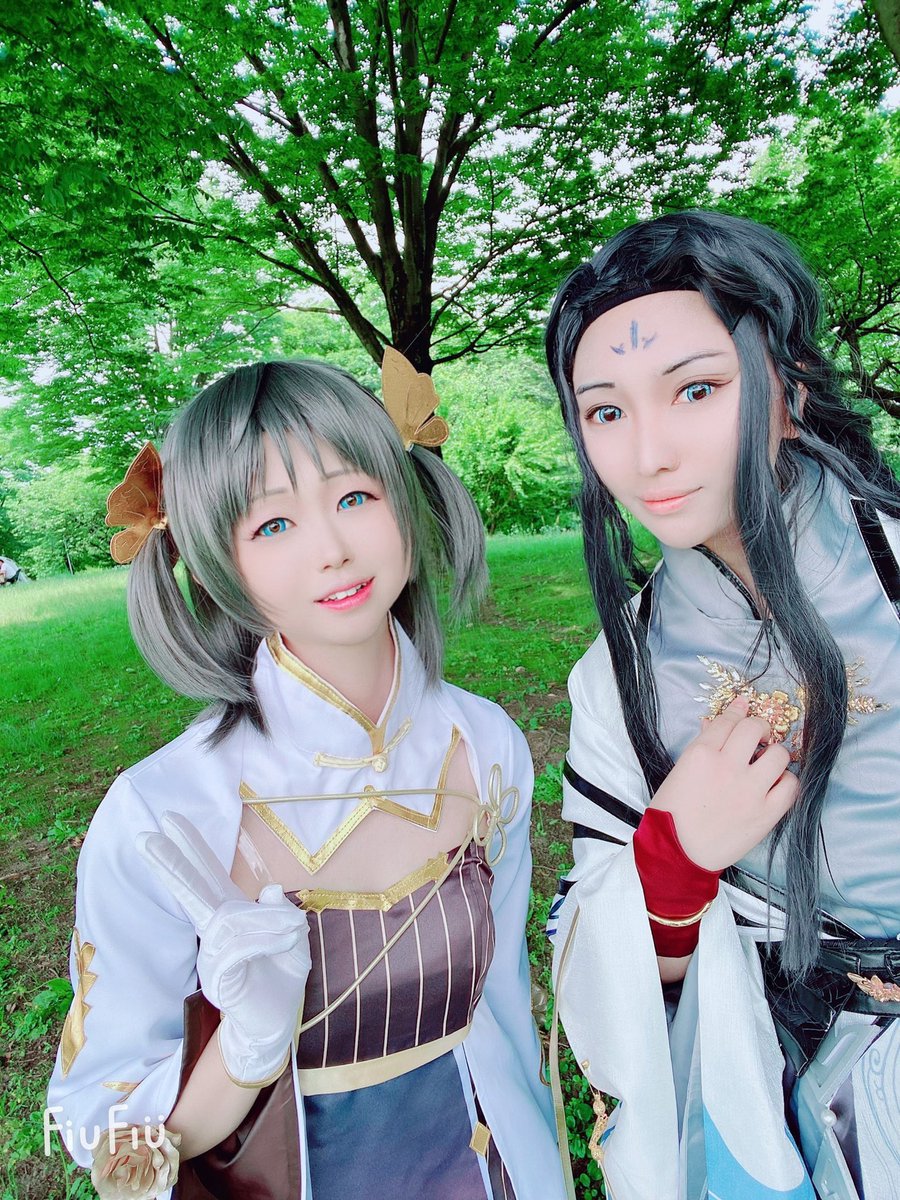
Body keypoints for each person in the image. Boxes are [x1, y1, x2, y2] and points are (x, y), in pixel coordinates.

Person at [47, 355, 565, 1200]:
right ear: (212, 562)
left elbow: (503, 1011)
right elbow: (106, 1132)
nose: (332, 550)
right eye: (273, 525)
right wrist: (242, 1052)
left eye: (355, 497)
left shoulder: (487, 745)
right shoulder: (161, 813)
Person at [544, 211, 900, 1200]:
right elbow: (605, 989)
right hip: (772, 1088)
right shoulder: (616, 679)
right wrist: (673, 859)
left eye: (696, 390)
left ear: (790, 386)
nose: (648, 453)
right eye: (605, 412)